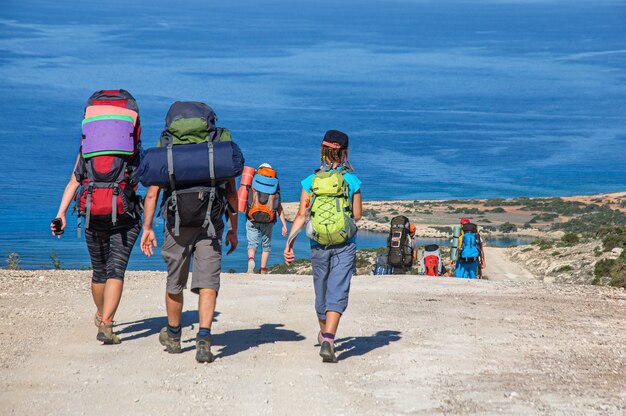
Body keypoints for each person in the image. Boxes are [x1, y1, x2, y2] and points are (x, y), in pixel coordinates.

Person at [140, 101, 239, 363]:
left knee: (175, 281)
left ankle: (173, 336)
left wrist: (147, 228)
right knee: (208, 283)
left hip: (176, 225)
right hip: (211, 222)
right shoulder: (217, 144)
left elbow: (152, 192)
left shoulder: (168, 144)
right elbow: (231, 190)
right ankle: (204, 339)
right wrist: (234, 229)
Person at [51, 89, 143, 345]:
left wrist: (60, 215)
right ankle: (107, 324)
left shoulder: (87, 151)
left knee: (99, 271)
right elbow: (142, 180)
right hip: (125, 217)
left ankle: (102, 313)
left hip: (91, 214)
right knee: (116, 270)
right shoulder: (131, 151)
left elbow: (73, 181)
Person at [284, 130, 362, 363]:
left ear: (323, 151)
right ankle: (328, 338)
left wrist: (289, 244)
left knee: (322, 289)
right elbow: (357, 216)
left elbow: (301, 215)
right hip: (344, 243)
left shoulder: (311, 181)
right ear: (345, 152)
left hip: (318, 243)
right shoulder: (351, 180)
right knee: (338, 288)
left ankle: (323, 332)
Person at [245, 163, 288, 273]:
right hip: (268, 219)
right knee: (266, 245)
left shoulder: (254, 180)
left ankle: (251, 259)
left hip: (252, 218)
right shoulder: (275, 184)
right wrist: (284, 224)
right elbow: (278, 206)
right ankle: (263, 269)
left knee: (252, 243)